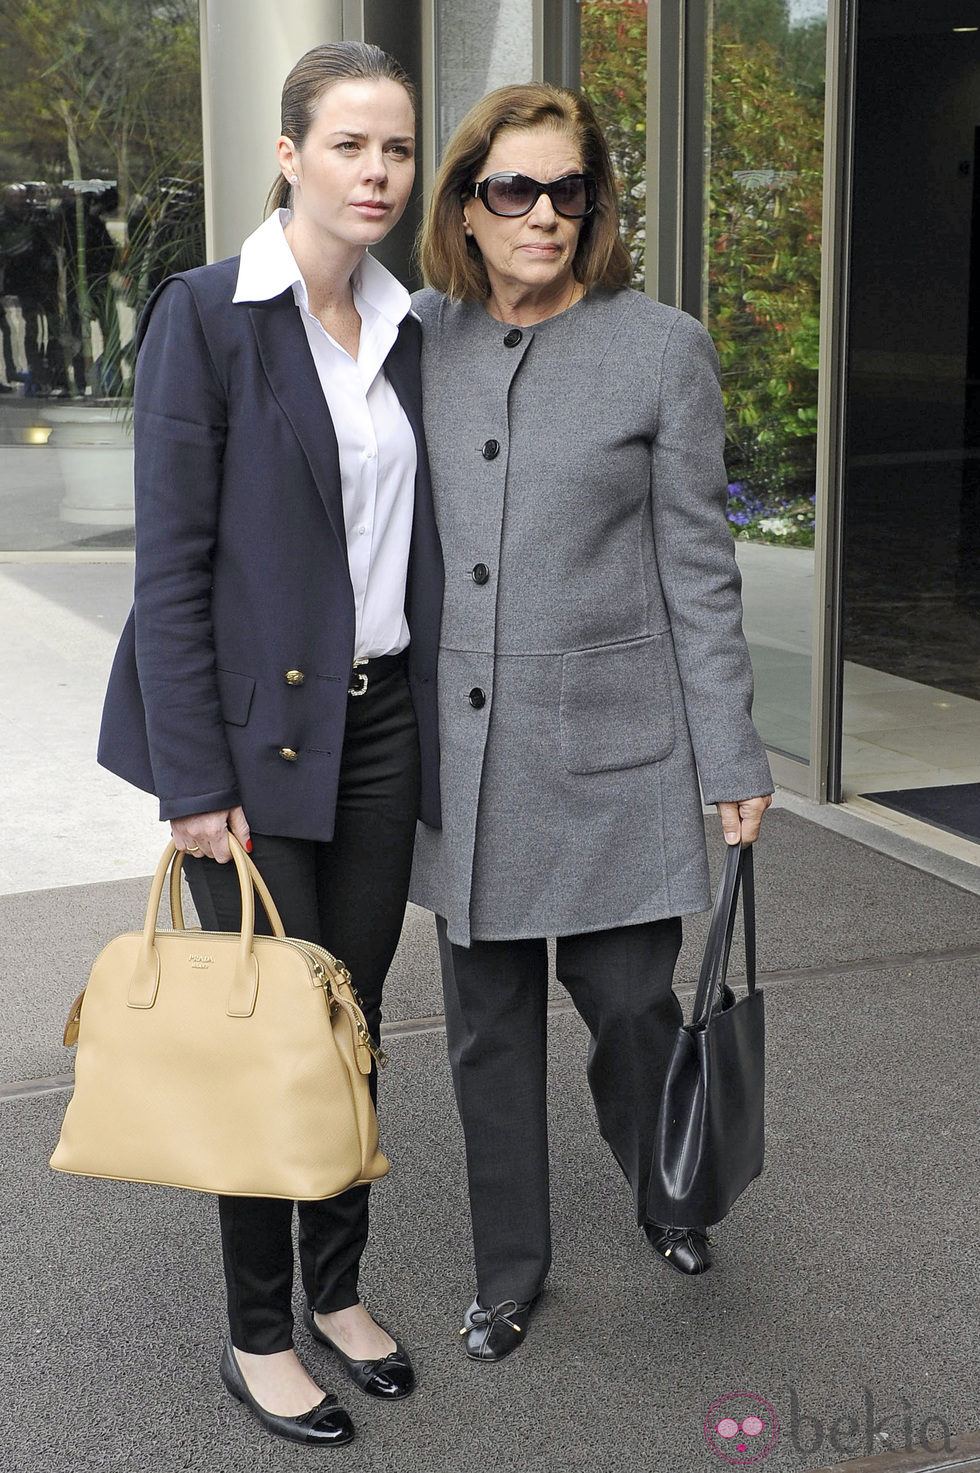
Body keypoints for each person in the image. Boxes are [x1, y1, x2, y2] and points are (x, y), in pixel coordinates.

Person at [98, 42, 442, 1445]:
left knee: (349, 1028)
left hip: (380, 725)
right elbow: (170, 568)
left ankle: (338, 1293)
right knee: (266, 1041)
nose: (378, 174)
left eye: (400, 150)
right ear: (291, 153)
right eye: (351, 145)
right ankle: (256, 1333)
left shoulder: (415, 326)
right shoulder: (209, 315)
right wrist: (193, 782)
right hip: (246, 747)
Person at [410, 82, 774, 1362]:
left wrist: (730, 752)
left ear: (594, 203)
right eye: (514, 189)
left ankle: (663, 1183)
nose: (544, 214)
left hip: (617, 744)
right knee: (485, 1024)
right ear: (466, 202)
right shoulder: (418, 337)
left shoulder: (659, 345)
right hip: (468, 747)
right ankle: (508, 1268)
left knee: (631, 1000)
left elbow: (696, 567)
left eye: (569, 190)